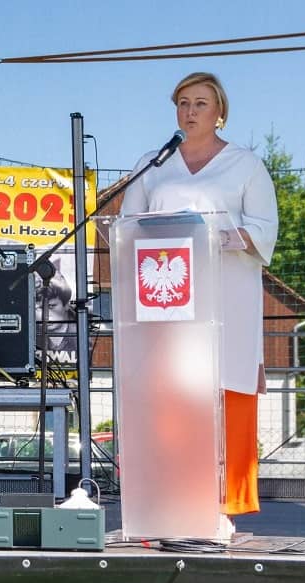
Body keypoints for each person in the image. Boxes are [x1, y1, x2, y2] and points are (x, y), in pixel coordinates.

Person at [121, 72, 279, 516]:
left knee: (226, 392)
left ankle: (224, 506)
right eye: (183, 103)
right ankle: (170, 501)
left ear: (220, 112)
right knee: (172, 399)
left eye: (200, 103)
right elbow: (128, 228)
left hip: (228, 300)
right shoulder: (153, 163)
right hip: (166, 301)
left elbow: (265, 229)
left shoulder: (245, 164)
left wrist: (219, 237)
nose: (190, 111)